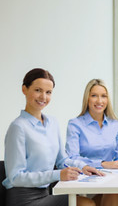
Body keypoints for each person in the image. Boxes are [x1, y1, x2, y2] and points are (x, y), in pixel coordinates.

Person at [2, 68, 103, 206]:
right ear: (24, 89)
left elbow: (62, 160)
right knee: (86, 204)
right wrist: (58, 175)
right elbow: (15, 177)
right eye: (38, 90)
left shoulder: (52, 123)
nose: (43, 97)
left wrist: (83, 167)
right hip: (24, 199)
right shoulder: (18, 127)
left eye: (48, 92)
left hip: (47, 193)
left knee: (99, 200)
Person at [65, 79, 118, 206]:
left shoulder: (116, 126)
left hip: (109, 181)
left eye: (103, 96)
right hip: (83, 182)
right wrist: (102, 164)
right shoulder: (75, 125)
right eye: (94, 96)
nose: (99, 101)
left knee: (114, 196)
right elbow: (71, 158)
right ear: (87, 98)